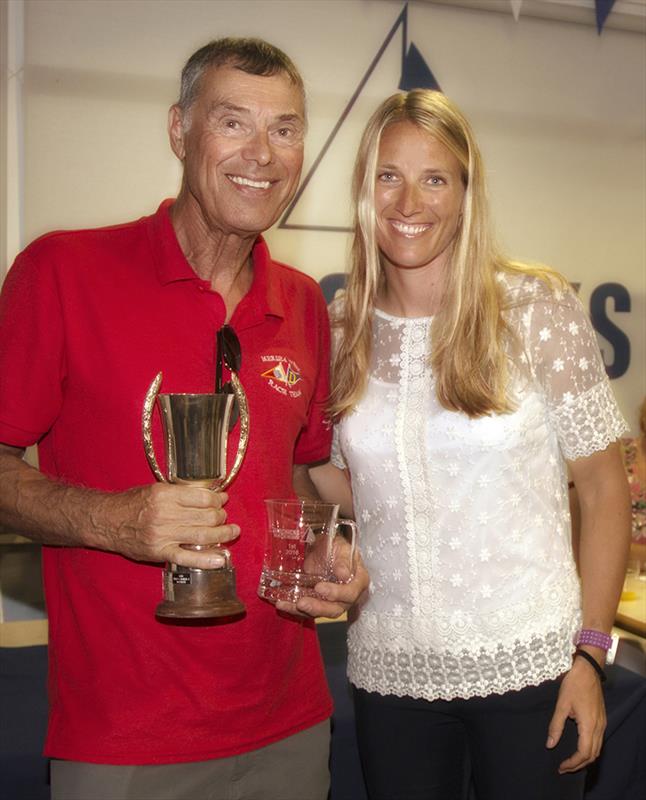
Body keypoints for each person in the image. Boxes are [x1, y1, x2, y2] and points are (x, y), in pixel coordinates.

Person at [0, 38, 367, 800]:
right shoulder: (64, 271)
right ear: (179, 129)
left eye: (287, 129)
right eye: (233, 122)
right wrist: (112, 520)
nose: (262, 155)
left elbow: (296, 478)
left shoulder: (301, 303)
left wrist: (330, 559)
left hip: (290, 726)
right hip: (124, 738)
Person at [310, 89, 631, 800]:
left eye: (435, 178)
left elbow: (605, 491)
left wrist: (592, 655)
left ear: (465, 192)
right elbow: (352, 491)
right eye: (389, 175)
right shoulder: (340, 329)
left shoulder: (535, 309)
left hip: (534, 670)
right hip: (390, 675)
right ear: (365, 188)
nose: (409, 201)